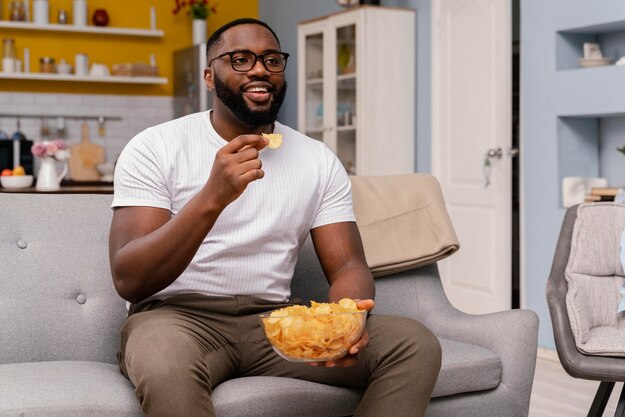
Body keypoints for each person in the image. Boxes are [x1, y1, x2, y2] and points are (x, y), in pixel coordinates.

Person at [109, 17, 441, 417]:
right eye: (241, 59)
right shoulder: (155, 147)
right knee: (163, 362)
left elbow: (348, 264)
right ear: (210, 76)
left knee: (414, 343)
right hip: (176, 320)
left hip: (275, 322)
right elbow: (130, 278)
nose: (260, 69)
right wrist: (213, 198)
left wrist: (346, 320)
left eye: (270, 59)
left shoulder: (316, 159)